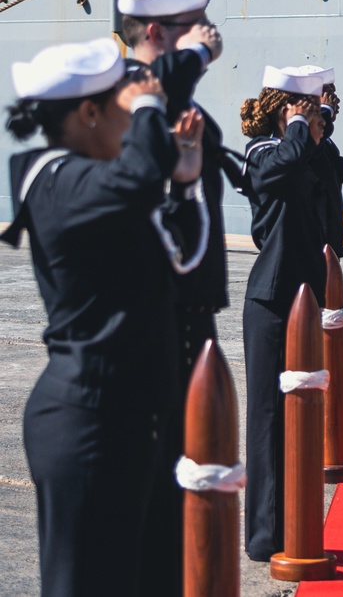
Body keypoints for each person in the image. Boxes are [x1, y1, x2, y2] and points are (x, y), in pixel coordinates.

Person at [1, 38, 203, 596]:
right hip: (88, 422)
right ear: (89, 113)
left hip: (132, 414)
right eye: (125, 100)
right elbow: (137, 181)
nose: (141, 115)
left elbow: (181, 263)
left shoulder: (97, 187)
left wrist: (185, 182)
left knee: (145, 577)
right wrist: (147, 109)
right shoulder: (57, 180)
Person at [117, 0, 229, 593]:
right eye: (195, 26)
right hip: (160, 317)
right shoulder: (128, 97)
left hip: (189, 310)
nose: (210, 35)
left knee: (189, 481)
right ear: (159, 33)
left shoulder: (164, 95)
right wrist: (195, 57)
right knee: (161, 491)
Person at [240, 66, 330, 561]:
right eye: (307, 109)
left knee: (302, 421)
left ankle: (295, 522)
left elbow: (322, 169)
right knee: (269, 420)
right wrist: (297, 127)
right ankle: (263, 536)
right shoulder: (259, 152)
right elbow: (282, 165)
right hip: (272, 301)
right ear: (285, 111)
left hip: (305, 296)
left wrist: (317, 125)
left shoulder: (302, 152)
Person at [299, 64, 343, 257]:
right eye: (326, 93)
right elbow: (309, 142)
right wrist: (325, 111)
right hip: (311, 241)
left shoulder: (326, 141)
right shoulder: (297, 134)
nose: (333, 99)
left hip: (327, 239)